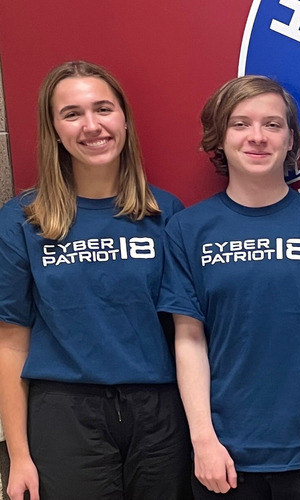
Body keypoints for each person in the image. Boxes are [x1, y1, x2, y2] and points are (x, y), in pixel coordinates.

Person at [0, 60, 190, 500]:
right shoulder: (22, 221)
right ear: (54, 129)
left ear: (123, 118)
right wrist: (20, 457)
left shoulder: (166, 213)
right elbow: (10, 342)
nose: (91, 126)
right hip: (64, 413)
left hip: (159, 413)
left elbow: (187, 333)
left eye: (103, 109)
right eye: (72, 114)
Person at [159, 76, 300, 499]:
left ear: (290, 140)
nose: (258, 137)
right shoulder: (187, 230)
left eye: (272, 124)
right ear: (220, 139)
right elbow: (189, 340)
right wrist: (203, 440)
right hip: (224, 459)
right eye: (241, 124)